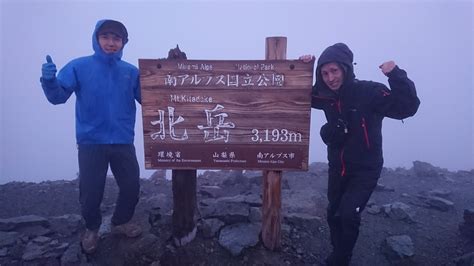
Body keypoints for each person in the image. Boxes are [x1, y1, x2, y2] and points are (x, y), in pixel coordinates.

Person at [300, 43, 420, 265]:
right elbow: (299, 95)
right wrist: (303, 68)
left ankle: (341, 258)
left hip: (366, 168)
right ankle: (339, 252)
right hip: (338, 166)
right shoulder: (326, 97)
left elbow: (407, 107)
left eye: (334, 71)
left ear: (345, 69)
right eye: (324, 73)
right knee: (333, 213)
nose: (330, 78)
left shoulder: (369, 92)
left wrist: (395, 74)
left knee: (348, 213)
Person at [40, 19, 142, 254]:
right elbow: (58, 96)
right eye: (106, 37)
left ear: (123, 43)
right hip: (90, 142)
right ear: (96, 39)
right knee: (91, 192)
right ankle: (92, 228)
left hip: (122, 141)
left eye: (117, 38)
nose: (111, 42)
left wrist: (168, 84)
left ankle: (120, 222)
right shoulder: (79, 66)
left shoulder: (130, 72)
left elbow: (149, 100)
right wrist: (49, 81)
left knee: (131, 186)